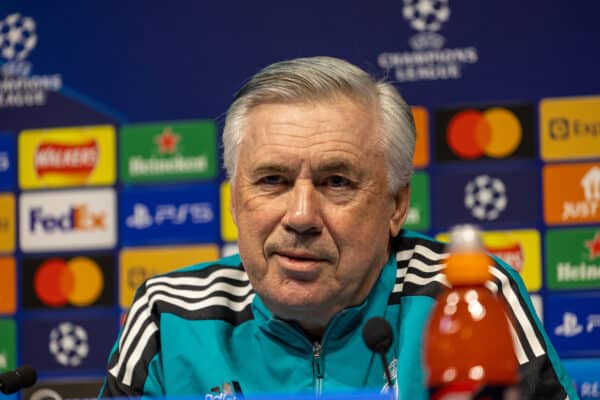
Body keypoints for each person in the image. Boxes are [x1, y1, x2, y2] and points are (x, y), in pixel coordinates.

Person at [100, 56, 576, 399]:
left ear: (396, 204)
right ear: (234, 200)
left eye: (336, 181)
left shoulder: (467, 295)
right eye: (272, 180)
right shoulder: (169, 317)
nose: (302, 216)